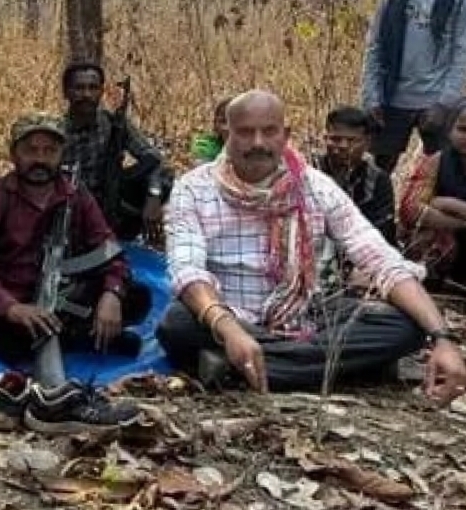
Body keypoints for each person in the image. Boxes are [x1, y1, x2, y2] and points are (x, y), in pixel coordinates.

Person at [157, 90, 466, 402]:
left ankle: (236, 366)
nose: (258, 143)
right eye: (246, 132)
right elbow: (187, 271)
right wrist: (229, 328)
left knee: (408, 325)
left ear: (285, 134)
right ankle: (324, 366)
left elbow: (380, 259)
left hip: (304, 315)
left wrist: (442, 338)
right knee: (177, 322)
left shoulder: (314, 186)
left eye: (269, 131)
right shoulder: (193, 189)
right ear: (227, 133)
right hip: (230, 316)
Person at [0, 113, 146, 432]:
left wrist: (112, 294)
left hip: (57, 298)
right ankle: (54, 393)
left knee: (137, 297)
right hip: (4, 305)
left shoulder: (76, 195)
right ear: (14, 154)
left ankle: (67, 340)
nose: (40, 159)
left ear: (61, 154)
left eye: (49, 151)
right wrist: (11, 307)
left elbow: (109, 251)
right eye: (31, 150)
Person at [361, 0, 466, 175]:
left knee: (447, 172)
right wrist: (372, 97)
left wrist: (444, 103)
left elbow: (462, 53)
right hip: (392, 97)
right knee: (377, 171)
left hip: (437, 100)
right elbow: (375, 46)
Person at [61, 62, 171, 242]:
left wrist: (154, 196)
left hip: (113, 204)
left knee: (162, 178)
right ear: (66, 92)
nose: (86, 94)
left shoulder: (113, 124)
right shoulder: (55, 132)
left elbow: (154, 159)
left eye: (93, 88)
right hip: (70, 207)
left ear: (101, 91)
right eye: (79, 88)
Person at [399, 98, 466, 292]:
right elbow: (410, 210)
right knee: (424, 235)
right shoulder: (436, 161)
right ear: (449, 130)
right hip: (451, 240)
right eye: (463, 130)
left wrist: (444, 204)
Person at [313, 106, 397, 245]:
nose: (343, 146)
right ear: (326, 138)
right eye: (336, 139)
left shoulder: (378, 180)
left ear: (367, 142)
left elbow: (382, 229)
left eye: (352, 140)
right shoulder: (311, 171)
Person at [190, 97, 232, 164]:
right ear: (215, 125)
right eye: (223, 121)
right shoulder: (205, 147)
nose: (228, 128)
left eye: (235, 121)